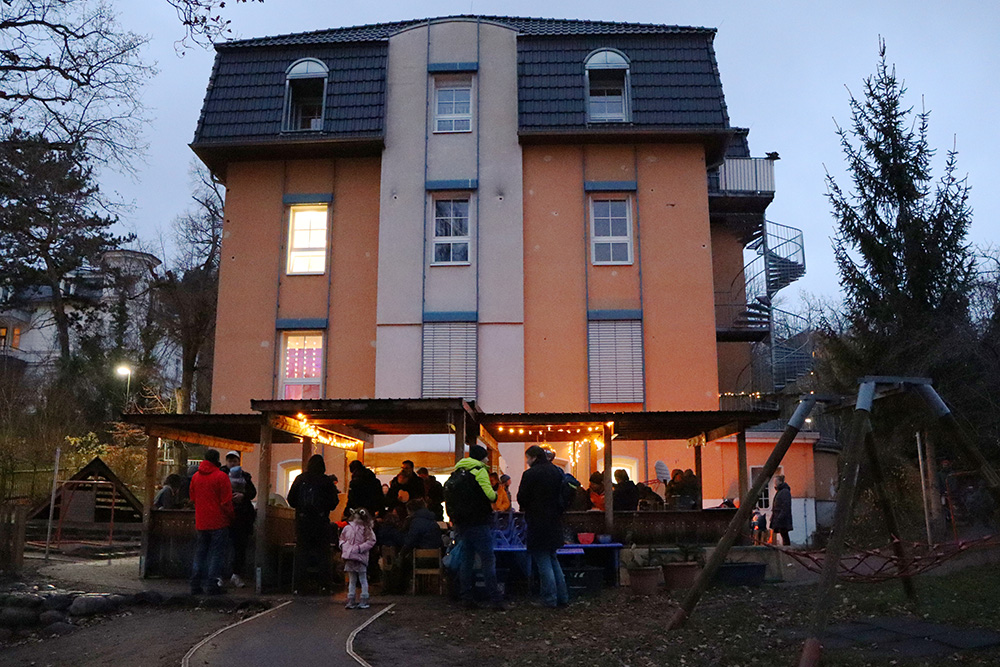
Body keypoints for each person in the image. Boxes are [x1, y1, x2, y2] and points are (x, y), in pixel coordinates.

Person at [445, 444, 503, 609]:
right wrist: (496, 492)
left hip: (462, 523)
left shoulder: (457, 472)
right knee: (487, 560)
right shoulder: (479, 471)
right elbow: (490, 496)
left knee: (467, 560)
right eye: (485, 457)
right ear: (482, 457)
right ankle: (495, 599)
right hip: (479, 522)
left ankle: (467, 597)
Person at [517, 444, 569, 608]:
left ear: (533, 457)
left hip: (537, 521)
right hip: (555, 521)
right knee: (553, 559)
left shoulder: (530, 474)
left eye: (528, 458)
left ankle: (549, 598)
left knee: (543, 561)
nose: (527, 461)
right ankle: (563, 597)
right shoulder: (557, 471)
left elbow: (522, 498)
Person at [287, 454, 340, 592]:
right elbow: (334, 502)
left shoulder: (300, 479)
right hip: (321, 522)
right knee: (323, 554)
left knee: (302, 554)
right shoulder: (326, 481)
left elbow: (291, 499)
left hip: (303, 522)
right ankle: (324, 585)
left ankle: (299, 586)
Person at [188, 449, 234, 595]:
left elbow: (193, 498)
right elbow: (226, 502)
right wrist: (231, 517)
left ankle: (195, 583)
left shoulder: (195, 476)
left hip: (201, 521)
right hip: (219, 521)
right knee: (216, 554)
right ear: (217, 460)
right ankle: (212, 584)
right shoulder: (221, 476)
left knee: (200, 552)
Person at [340, 508, 377, 609]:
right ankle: (354, 599)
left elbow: (371, 541)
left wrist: (359, 548)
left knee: (360, 578)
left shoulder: (365, 529)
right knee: (354, 579)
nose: (356, 520)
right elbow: (342, 538)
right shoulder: (351, 528)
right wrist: (343, 545)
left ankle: (360, 598)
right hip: (352, 556)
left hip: (357, 556)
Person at [769, 475, 793, 545]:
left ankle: (787, 549)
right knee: (784, 534)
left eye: (775, 481)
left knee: (784, 534)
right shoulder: (781, 491)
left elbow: (785, 506)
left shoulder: (784, 492)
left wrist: (780, 517)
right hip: (779, 516)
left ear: (779, 481)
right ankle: (786, 549)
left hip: (782, 518)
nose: (774, 483)